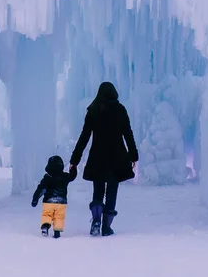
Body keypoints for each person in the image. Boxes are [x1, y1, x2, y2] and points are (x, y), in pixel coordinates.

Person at [70, 82, 138, 236]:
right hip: (117, 157)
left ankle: (96, 221)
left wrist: (75, 160)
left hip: (97, 157)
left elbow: (84, 137)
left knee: (98, 191)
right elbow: (128, 134)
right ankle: (107, 227)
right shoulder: (120, 110)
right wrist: (133, 155)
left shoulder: (93, 110)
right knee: (112, 191)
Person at [31, 155, 77, 238]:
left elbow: (40, 189)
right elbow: (72, 176)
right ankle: (57, 231)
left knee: (47, 214)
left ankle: (45, 226)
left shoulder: (47, 177)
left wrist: (35, 199)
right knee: (59, 217)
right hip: (61, 202)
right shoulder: (65, 176)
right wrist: (73, 167)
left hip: (48, 201)